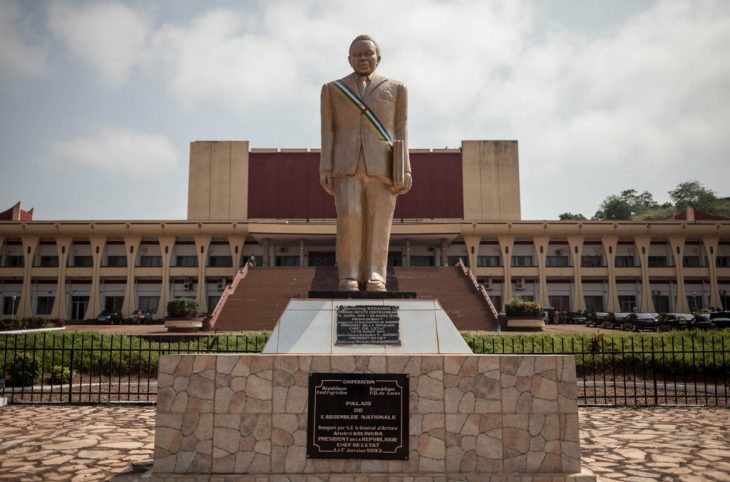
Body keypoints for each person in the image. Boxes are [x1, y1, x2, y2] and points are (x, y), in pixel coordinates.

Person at [320, 35, 412, 291]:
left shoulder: (396, 89)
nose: (362, 59)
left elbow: (401, 128)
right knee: (349, 216)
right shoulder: (333, 89)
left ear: (378, 58)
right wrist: (325, 166)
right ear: (349, 59)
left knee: (380, 220)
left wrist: (404, 168)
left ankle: (376, 275)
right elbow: (327, 130)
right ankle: (348, 275)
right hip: (345, 164)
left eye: (367, 54)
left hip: (382, 165)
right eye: (357, 55)